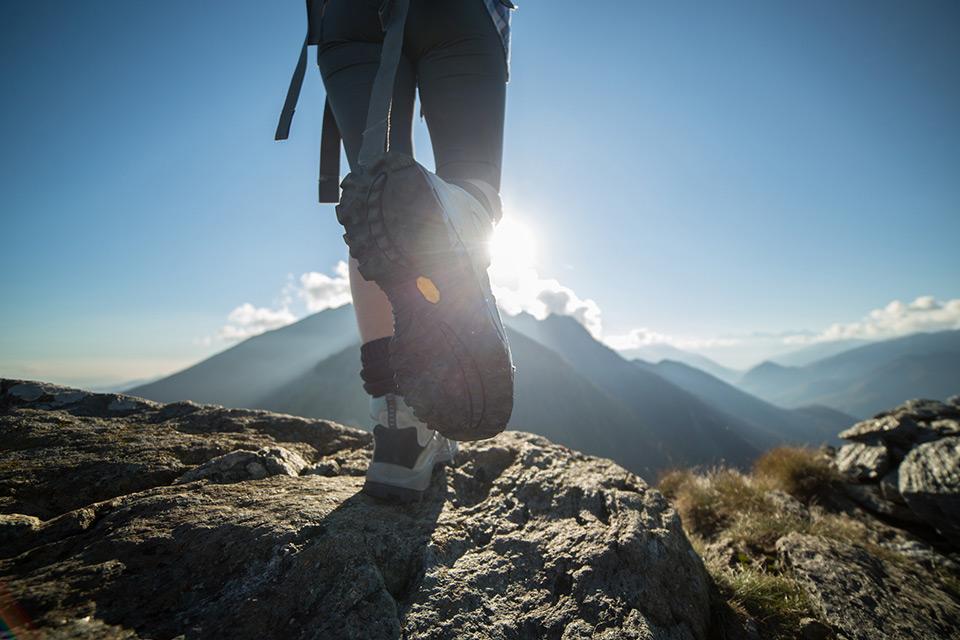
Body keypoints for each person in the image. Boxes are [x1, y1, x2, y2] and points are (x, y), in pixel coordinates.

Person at [278, 0, 517, 501]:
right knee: (472, 188)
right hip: (459, 13)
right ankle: (459, 212)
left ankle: (400, 433)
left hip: (348, 15)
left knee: (376, 215)